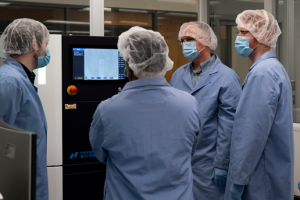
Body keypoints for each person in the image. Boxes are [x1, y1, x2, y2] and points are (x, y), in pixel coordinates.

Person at [89, 26, 201, 200]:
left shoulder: (108, 109)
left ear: (129, 63)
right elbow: (191, 148)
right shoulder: (188, 103)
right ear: (164, 59)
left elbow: (100, 154)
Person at [225, 10, 294, 200]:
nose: (238, 37)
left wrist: (238, 179)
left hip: (259, 180)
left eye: (244, 32)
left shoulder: (262, 74)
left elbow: (251, 133)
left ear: (262, 35)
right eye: (238, 32)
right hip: (270, 175)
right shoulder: (273, 68)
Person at [170, 22, 241, 200]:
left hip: (209, 164)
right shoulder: (178, 75)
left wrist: (222, 164)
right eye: (182, 40)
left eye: (190, 39)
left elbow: (229, 125)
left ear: (206, 41)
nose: (185, 43)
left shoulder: (227, 77)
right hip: (179, 161)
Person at [0, 18, 50, 200]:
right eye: (46, 44)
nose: (46, 50)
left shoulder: (19, 79)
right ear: (33, 44)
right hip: (17, 187)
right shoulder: (9, 82)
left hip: (28, 183)